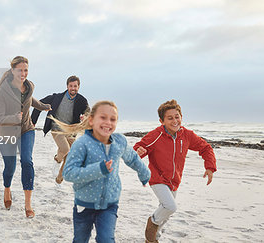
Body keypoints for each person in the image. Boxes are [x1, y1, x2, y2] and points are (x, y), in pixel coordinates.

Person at [54, 101, 151, 242]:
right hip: (84, 203)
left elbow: (133, 159)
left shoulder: (119, 142)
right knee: (81, 239)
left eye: (113, 119)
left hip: (109, 203)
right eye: (103, 117)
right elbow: (68, 173)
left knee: (106, 239)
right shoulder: (82, 144)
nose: (108, 122)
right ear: (92, 120)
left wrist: (144, 174)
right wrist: (98, 169)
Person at [133, 99, 217, 243]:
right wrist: (138, 152)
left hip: (174, 180)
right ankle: (151, 223)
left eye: (177, 117)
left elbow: (205, 147)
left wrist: (209, 167)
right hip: (156, 178)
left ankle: (153, 239)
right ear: (162, 121)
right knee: (170, 207)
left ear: (181, 117)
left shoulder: (187, 135)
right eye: (170, 118)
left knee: (166, 213)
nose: (174, 121)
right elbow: (139, 148)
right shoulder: (156, 135)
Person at [0, 56, 51, 218]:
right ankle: (7, 189)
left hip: (27, 129)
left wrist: (43, 106)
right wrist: (14, 118)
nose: (23, 73)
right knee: (10, 168)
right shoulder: (3, 91)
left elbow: (29, 100)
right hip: (7, 135)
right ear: (12, 71)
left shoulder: (28, 87)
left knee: (27, 161)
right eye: (20, 70)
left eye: (26, 70)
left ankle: (28, 204)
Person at [31, 75, 89, 184]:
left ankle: (59, 178)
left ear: (78, 87)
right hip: (57, 129)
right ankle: (57, 159)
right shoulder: (57, 98)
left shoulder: (82, 100)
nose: (73, 88)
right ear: (67, 86)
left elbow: (88, 112)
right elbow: (38, 104)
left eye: (75, 86)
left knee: (70, 156)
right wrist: (33, 122)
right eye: (71, 86)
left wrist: (85, 117)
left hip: (71, 131)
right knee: (65, 149)